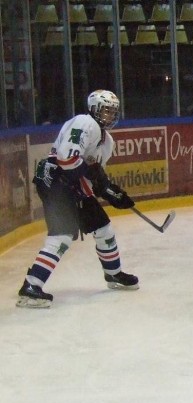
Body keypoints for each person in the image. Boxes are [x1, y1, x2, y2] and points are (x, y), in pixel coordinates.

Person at [17, 89, 138, 309]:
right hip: (55, 182)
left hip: (72, 185)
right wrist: (98, 182)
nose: (109, 116)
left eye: (113, 112)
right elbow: (66, 159)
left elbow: (90, 177)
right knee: (62, 235)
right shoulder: (85, 122)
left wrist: (109, 191)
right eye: (105, 111)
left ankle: (113, 274)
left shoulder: (107, 141)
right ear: (93, 109)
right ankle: (31, 286)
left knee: (103, 228)